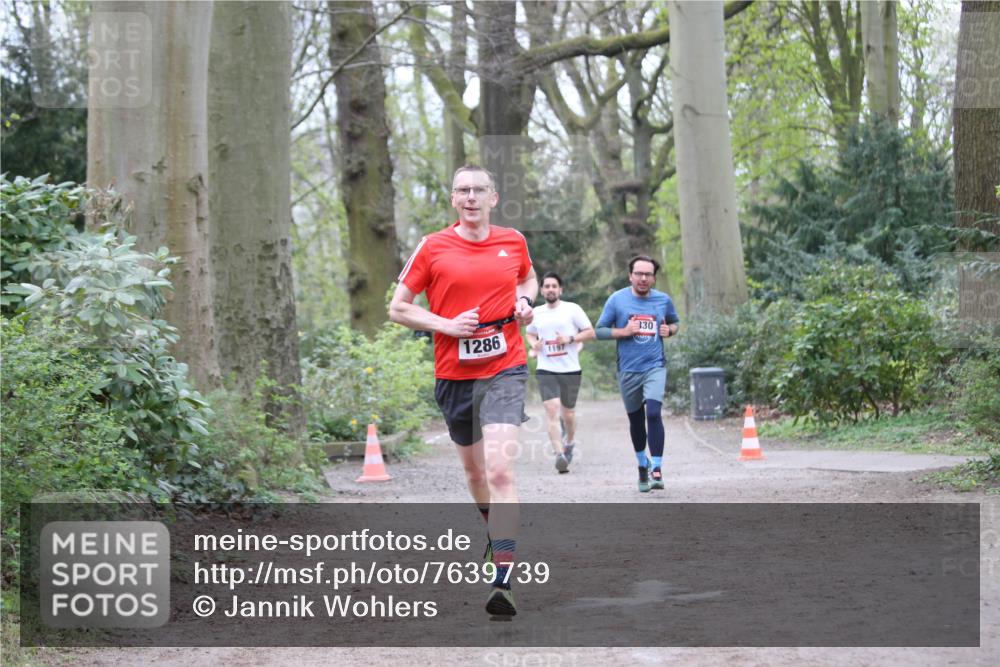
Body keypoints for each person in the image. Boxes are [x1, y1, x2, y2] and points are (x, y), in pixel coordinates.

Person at [389, 164, 536, 617]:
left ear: (494, 198)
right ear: (454, 199)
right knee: (475, 477)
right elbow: (398, 308)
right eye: (463, 190)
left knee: (500, 471)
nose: (471, 197)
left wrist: (525, 301)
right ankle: (495, 534)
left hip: (505, 367)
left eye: (479, 190)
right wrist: (446, 325)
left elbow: (526, 278)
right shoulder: (433, 247)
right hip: (454, 373)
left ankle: (504, 578)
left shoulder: (513, 241)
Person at [594, 255, 680, 492]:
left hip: (655, 365)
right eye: (639, 274)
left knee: (653, 413)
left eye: (648, 274)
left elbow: (675, 323)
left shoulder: (663, 300)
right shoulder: (617, 300)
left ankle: (657, 468)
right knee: (636, 420)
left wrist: (669, 330)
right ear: (630, 275)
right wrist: (623, 331)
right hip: (628, 369)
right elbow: (599, 331)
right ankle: (642, 464)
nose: (643, 278)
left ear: (654, 277)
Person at [525, 272, 594, 473]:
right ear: (542, 290)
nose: (550, 289)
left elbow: (590, 332)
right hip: (546, 368)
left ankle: (570, 442)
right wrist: (534, 344)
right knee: (552, 409)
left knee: (569, 414)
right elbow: (529, 333)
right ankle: (559, 455)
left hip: (570, 369)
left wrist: (570, 339)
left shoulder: (572, 309)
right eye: (547, 286)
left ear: (560, 290)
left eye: (554, 286)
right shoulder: (536, 312)